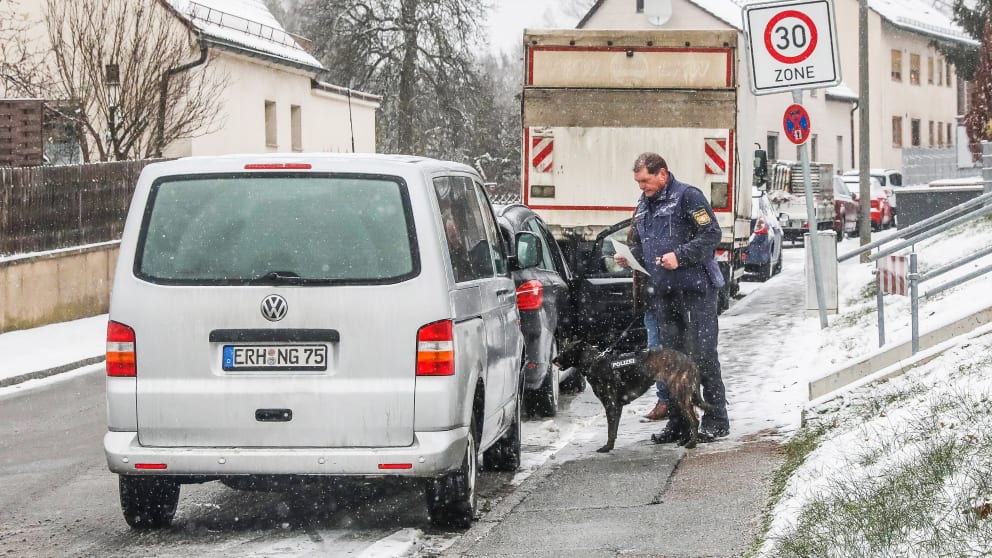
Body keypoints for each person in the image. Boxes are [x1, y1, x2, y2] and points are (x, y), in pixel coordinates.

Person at [615, 152, 730, 442]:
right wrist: (630, 258)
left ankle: (716, 419)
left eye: (646, 180)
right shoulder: (643, 205)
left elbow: (711, 235)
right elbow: (644, 246)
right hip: (664, 293)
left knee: (702, 355)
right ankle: (679, 422)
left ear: (662, 174)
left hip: (695, 290)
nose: (642, 187)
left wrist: (680, 256)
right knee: (672, 362)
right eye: (639, 182)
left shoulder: (688, 197)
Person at [629, 224, 669, 421]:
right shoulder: (643, 209)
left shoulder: (672, 206)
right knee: (655, 351)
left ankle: (684, 401)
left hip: (671, 294)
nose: (643, 191)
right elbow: (635, 243)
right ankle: (664, 401)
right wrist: (631, 257)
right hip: (650, 296)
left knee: (677, 351)